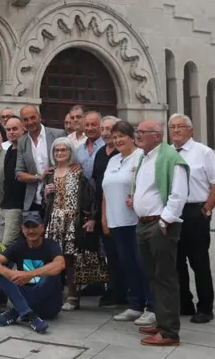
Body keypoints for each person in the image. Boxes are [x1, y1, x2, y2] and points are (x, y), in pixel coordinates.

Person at [132, 120, 188, 346]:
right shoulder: (144, 156)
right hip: (144, 223)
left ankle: (169, 333)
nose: (138, 135)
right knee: (153, 276)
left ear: (156, 136)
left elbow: (178, 193)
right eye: (138, 131)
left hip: (160, 225)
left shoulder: (171, 158)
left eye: (142, 132)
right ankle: (162, 320)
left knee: (165, 278)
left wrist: (164, 221)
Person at [169, 113, 215, 324]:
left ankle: (205, 307)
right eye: (172, 127)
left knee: (198, 262)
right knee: (176, 262)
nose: (175, 130)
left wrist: (208, 208)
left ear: (190, 130)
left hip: (195, 212)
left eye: (180, 127)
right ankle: (184, 302)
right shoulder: (167, 152)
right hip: (173, 212)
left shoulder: (203, 152)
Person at [101, 121, 154, 326]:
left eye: (121, 136)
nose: (117, 140)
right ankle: (135, 305)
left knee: (143, 264)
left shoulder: (141, 157)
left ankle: (151, 306)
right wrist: (104, 218)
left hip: (136, 220)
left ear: (132, 137)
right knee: (128, 265)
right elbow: (106, 191)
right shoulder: (113, 160)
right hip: (116, 221)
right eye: (114, 137)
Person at [0, 212, 66, 334]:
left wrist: (30, 274)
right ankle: (29, 315)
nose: (31, 231)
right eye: (27, 227)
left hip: (49, 305)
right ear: (22, 229)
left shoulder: (51, 245)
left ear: (42, 228)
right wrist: (8, 272)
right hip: (24, 297)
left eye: (34, 226)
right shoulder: (19, 246)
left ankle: (16, 313)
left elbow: (60, 264)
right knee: (0, 273)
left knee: (51, 274)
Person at [42, 137, 95, 311]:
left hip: (72, 219)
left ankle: (72, 296)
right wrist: (45, 193)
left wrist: (89, 218)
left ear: (70, 152)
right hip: (54, 219)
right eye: (57, 150)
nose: (60, 153)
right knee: (53, 258)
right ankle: (53, 292)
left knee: (70, 259)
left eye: (63, 150)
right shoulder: (49, 174)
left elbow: (87, 198)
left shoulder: (77, 172)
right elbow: (45, 203)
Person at [92, 115, 125, 309]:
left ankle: (124, 290)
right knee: (110, 254)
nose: (105, 133)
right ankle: (113, 289)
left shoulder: (122, 155)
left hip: (120, 210)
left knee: (123, 254)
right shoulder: (100, 153)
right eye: (103, 129)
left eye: (109, 129)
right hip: (102, 209)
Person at [15, 105, 67, 213]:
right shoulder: (22, 141)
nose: (29, 122)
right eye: (25, 120)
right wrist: (39, 177)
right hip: (34, 200)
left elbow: (69, 163)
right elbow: (19, 174)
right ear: (22, 122)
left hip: (58, 197)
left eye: (32, 118)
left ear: (39, 117)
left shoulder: (58, 134)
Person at [0, 117, 28, 245]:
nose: (11, 132)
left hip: (17, 206)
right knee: (1, 243)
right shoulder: (9, 150)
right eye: (8, 129)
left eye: (14, 129)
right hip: (5, 204)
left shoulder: (28, 150)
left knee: (8, 243)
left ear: (23, 129)